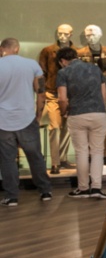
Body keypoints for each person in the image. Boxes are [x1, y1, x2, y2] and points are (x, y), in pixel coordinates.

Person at [0, 38, 52, 206]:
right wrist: (38, 114)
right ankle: (45, 191)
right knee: (35, 156)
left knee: (7, 159)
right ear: (17, 48)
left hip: (3, 120)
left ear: (2, 49)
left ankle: (11, 196)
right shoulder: (32, 65)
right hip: (26, 118)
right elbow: (41, 93)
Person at [56, 47, 106, 199]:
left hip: (77, 114)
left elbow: (62, 98)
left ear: (62, 61)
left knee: (81, 152)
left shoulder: (63, 72)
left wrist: (64, 111)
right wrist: (100, 109)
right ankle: (97, 188)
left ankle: (83, 188)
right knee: (98, 151)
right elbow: (103, 94)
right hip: (98, 113)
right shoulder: (95, 69)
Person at [78, 25, 106, 162]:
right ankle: (91, 156)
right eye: (88, 35)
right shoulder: (80, 53)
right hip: (88, 93)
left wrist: (99, 77)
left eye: (93, 35)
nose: (90, 38)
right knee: (90, 125)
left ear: (100, 35)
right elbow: (80, 71)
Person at [38, 24, 75, 174]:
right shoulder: (47, 51)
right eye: (60, 33)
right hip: (52, 93)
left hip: (71, 94)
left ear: (71, 34)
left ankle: (62, 157)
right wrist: (42, 92)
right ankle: (55, 162)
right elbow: (42, 72)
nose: (62, 36)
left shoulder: (76, 52)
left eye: (65, 34)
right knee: (54, 126)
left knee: (68, 127)